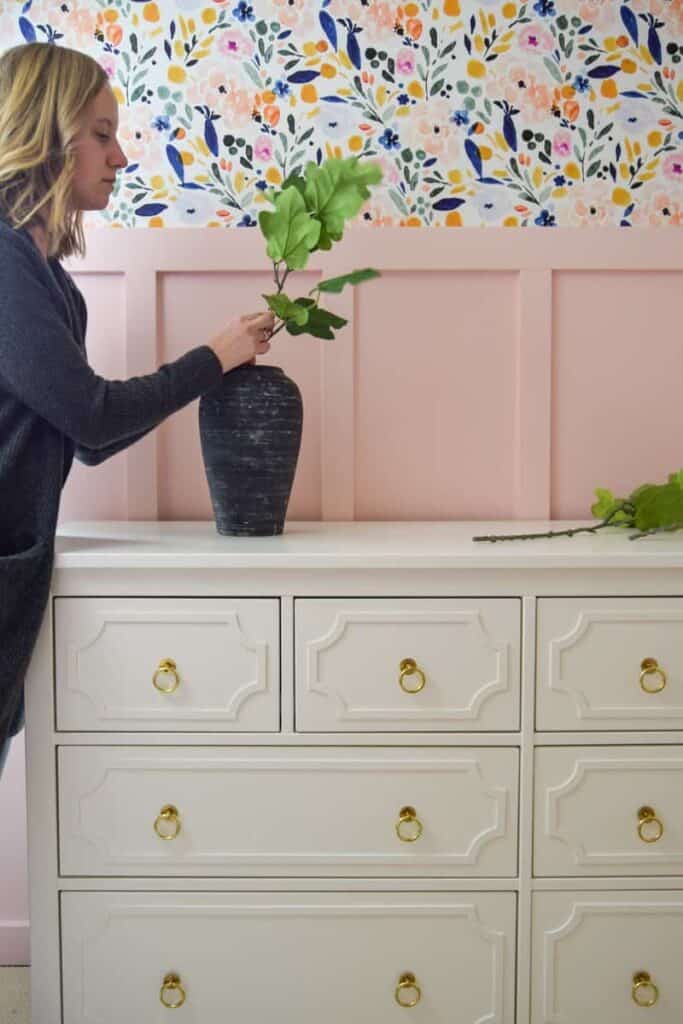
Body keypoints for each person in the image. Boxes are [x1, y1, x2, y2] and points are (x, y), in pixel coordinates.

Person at [0, 41, 276, 774]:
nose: (119, 157)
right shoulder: (2, 263)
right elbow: (92, 417)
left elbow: (83, 437)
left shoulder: (49, 279)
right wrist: (212, 359)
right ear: (43, 133)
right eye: (99, 133)